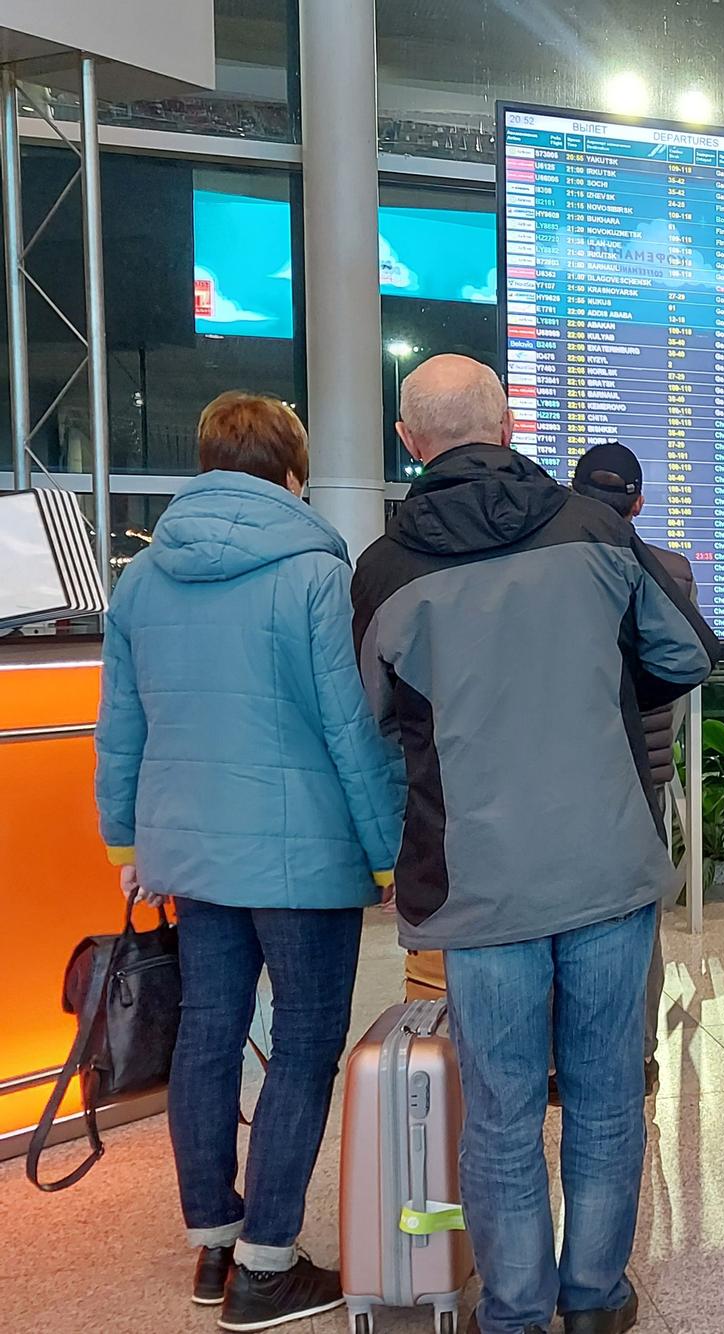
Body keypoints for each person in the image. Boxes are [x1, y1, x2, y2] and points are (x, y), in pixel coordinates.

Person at [352, 355, 717, 1334]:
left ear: (408, 441)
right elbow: (684, 653)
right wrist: (598, 697)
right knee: (605, 1097)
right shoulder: (597, 530)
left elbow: (373, 715)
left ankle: (515, 1309)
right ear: (508, 423)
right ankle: (595, 1297)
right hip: (606, 864)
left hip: (480, 884)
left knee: (504, 1116)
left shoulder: (385, 569)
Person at [96, 392, 404, 1331]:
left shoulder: (142, 579)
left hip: (192, 856)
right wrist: (389, 854)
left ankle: (215, 1245)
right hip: (302, 859)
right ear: (292, 471)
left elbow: (122, 728)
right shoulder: (315, 572)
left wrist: (126, 842)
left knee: (209, 1038)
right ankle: (269, 1269)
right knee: (306, 1048)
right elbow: (349, 729)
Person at [569, 440, 698, 1094]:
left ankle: (562, 1059)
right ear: (639, 503)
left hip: (562, 775)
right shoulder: (669, 570)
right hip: (641, 778)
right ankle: (640, 1056)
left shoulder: (549, 564)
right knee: (638, 919)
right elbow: (682, 667)